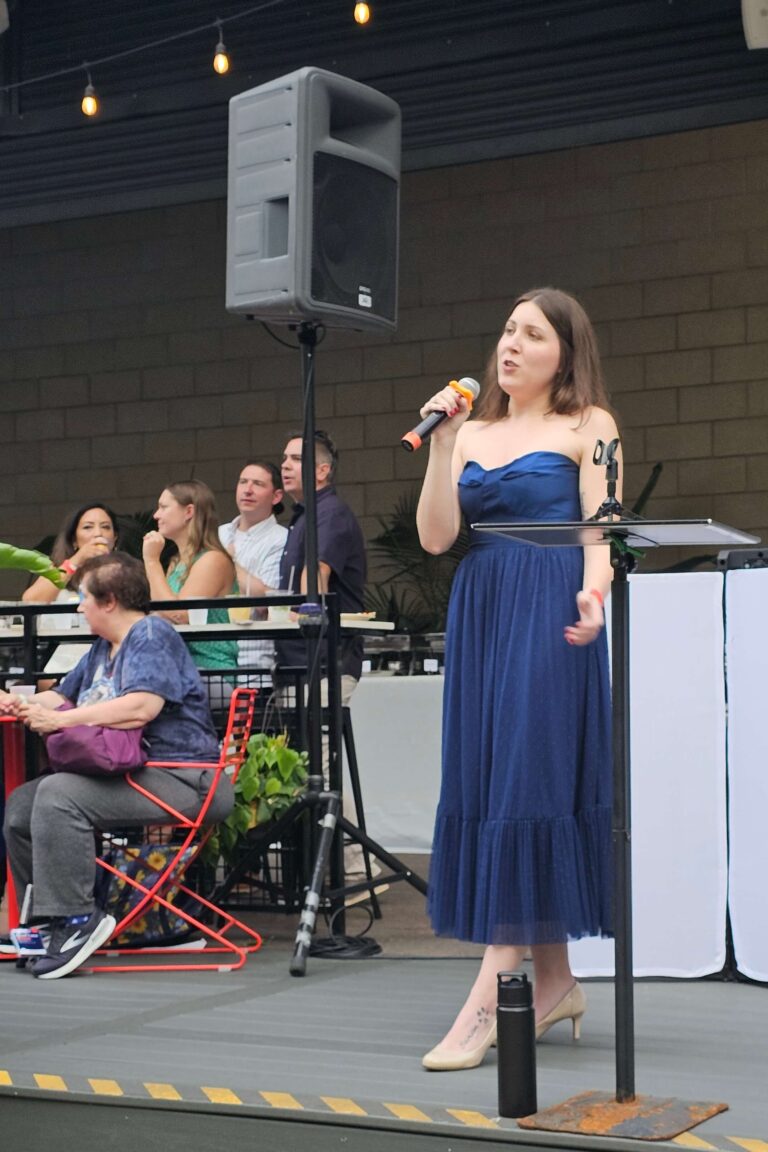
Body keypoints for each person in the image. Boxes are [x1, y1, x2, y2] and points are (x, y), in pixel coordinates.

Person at [416, 287, 618, 1071]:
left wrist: (595, 594)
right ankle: (555, 982)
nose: (511, 344)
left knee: (528, 778)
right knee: (494, 775)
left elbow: (602, 526)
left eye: (532, 334)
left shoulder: (590, 425)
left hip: (552, 601)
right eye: (507, 330)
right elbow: (438, 538)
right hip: (484, 606)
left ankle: (490, 997)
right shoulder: (470, 431)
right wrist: (442, 446)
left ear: (564, 353)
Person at [0, 552, 230, 980]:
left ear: (109, 601)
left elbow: (142, 706)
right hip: (139, 774)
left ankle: (77, 920)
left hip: (185, 779)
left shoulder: (152, 634)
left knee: (57, 794)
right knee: (22, 805)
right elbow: (62, 696)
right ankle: (45, 923)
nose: (78, 608)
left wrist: (61, 721)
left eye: (83, 598)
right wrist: (19, 702)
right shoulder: (103, 648)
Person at [276, 430, 367, 699]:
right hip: (299, 665)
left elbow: (317, 572)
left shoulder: (330, 512)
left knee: (319, 729)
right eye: (284, 458)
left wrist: (307, 615)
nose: (285, 465)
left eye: (296, 459)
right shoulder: (305, 514)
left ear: (322, 470)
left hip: (325, 665)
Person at [142, 480, 237, 675]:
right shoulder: (177, 562)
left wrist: (151, 561)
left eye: (163, 507)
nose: (156, 515)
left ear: (188, 512)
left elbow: (181, 614)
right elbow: (160, 611)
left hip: (209, 669)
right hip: (175, 668)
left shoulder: (212, 559)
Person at [22, 503, 119, 678]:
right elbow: (31, 600)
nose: (98, 533)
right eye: (88, 527)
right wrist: (78, 558)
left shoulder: (125, 572)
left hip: (113, 654)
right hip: (65, 655)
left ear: (115, 538)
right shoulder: (61, 570)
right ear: (74, 540)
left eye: (105, 527)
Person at [218, 461, 287, 674]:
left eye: (258, 484)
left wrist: (226, 562)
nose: (247, 490)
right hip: (212, 654)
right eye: (243, 482)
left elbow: (269, 601)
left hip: (253, 662)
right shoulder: (218, 533)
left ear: (276, 496)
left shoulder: (282, 539)